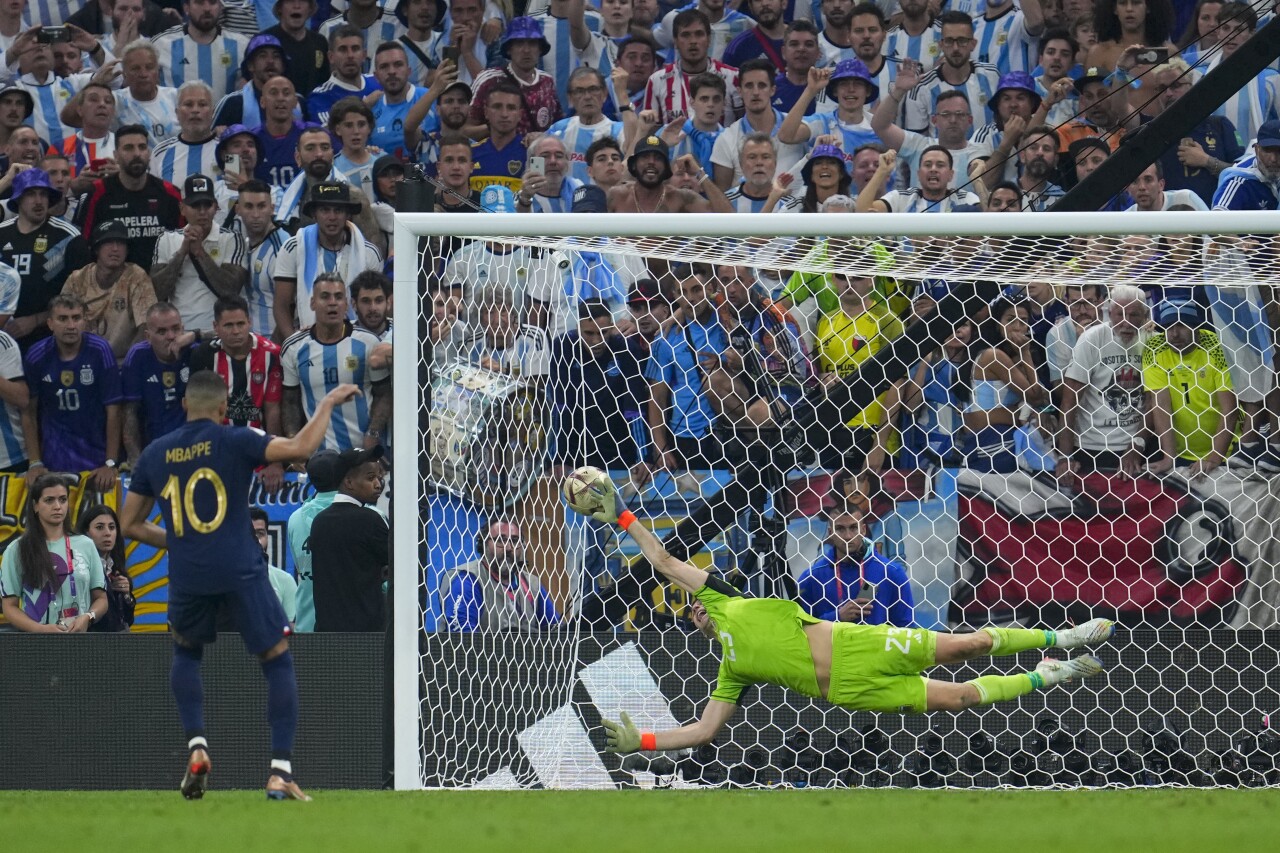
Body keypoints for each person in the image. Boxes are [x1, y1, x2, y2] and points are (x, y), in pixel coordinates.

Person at [586, 480, 1115, 753]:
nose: (697, 606)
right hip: (851, 691)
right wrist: (645, 742)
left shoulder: (729, 597)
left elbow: (660, 560)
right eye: (691, 611)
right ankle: (1050, 673)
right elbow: (703, 731)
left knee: (968, 646)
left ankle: (1062, 635)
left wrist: (624, 516)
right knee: (956, 699)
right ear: (694, 626)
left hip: (859, 643)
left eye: (696, 598)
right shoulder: (732, 671)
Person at [120, 369, 360, 800]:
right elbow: (301, 447)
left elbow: (129, 524)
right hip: (240, 566)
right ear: (222, 408)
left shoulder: (155, 453)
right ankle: (280, 771)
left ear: (184, 405)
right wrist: (325, 405)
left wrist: (179, 540)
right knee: (276, 660)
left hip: (189, 573)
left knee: (186, 653)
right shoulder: (235, 439)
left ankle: (197, 745)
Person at [280, 273, 391, 451]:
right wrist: (294, 442)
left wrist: (373, 433)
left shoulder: (369, 343)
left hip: (363, 451)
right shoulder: (294, 347)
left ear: (346, 305)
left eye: (338, 297)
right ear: (312, 303)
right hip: (319, 455)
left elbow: (384, 394)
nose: (332, 302)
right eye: (325, 296)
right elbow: (290, 402)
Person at [23, 295, 123, 490]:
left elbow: (114, 411)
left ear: (85, 321)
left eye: (76, 318)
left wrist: (110, 462)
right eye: (63, 319)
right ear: (50, 323)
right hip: (53, 463)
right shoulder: (36, 356)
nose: (71, 325)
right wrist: (35, 462)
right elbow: (28, 412)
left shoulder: (100, 351)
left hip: (96, 461)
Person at [1057, 283, 1150, 479]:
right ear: (1109, 313)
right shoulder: (1092, 339)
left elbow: (1154, 402)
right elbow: (1069, 400)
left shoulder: (1151, 340)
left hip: (1138, 444)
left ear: (1145, 316)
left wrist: (1137, 444)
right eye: (1119, 314)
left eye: (1133, 315)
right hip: (1092, 446)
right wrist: (1064, 457)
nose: (1126, 322)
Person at [0, 472, 108, 633]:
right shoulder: (16, 549)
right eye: (49, 500)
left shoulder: (86, 545)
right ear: (35, 505)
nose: (57, 506)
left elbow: (101, 598)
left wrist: (88, 617)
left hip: (80, 641)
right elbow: (9, 607)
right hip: (36, 644)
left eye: (63, 499)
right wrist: (39, 629)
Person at [272, 180, 383, 336]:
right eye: (325, 210)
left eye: (338, 210)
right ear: (314, 214)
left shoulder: (369, 253)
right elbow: (281, 305)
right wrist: (295, 345)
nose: (332, 217)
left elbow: (377, 303)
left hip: (357, 338)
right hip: (306, 338)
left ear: (347, 214)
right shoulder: (294, 248)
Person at [0, 168, 91, 349]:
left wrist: (36, 320)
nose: (39, 201)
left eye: (43, 194)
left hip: (51, 339)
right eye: (31, 194)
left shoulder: (68, 237)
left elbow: (84, 295)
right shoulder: (2, 233)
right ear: (18, 199)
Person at [1143, 301, 1235, 480]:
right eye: (1168, 327)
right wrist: (1169, 457)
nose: (1174, 334)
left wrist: (1214, 458)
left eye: (1181, 325)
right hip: (1181, 453)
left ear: (1197, 327)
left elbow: (1229, 410)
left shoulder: (1217, 346)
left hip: (1227, 450)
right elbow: (1161, 407)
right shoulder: (1154, 349)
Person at [150, 174, 248, 336]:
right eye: (195, 205)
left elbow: (230, 290)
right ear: (182, 209)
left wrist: (199, 252)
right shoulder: (167, 239)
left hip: (220, 330)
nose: (202, 212)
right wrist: (182, 252)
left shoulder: (231, 238)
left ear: (216, 207)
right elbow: (157, 292)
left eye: (207, 205)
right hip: (177, 329)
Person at [962, 297, 1051, 473]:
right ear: (997, 324)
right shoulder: (993, 356)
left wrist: (1037, 414)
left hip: (1006, 439)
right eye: (1010, 320)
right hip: (995, 442)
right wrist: (1026, 352)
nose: (1017, 327)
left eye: (1023, 321)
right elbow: (1034, 396)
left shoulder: (1012, 358)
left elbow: (1044, 402)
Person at [77, 125, 184, 271]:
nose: (137, 154)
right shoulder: (97, 193)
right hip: (111, 283)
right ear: (116, 155)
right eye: (128, 148)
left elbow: (183, 242)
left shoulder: (170, 194)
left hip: (161, 282)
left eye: (142, 147)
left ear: (149, 152)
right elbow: (83, 246)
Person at [797, 501, 916, 627]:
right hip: (833, 646)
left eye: (853, 528)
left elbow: (907, 631)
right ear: (830, 532)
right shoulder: (811, 578)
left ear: (863, 530)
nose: (848, 536)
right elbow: (799, 629)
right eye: (840, 529)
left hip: (875, 647)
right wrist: (837, 617)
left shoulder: (892, 573)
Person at [309, 445, 387, 632]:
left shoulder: (319, 522)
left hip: (326, 635)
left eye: (379, 478)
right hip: (367, 635)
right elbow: (399, 565)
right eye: (370, 478)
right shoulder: (371, 520)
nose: (378, 484)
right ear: (348, 482)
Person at [60, 219, 158, 361]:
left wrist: (132, 360)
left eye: (121, 243)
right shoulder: (77, 279)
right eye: (108, 242)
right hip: (83, 360)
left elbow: (146, 326)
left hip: (123, 362)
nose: (115, 249)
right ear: (96, 248)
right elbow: (62, 321)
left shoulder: (137, 276)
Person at [442, 517, 562, 632]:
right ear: (483, 545)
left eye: (515, 541)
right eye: (500, 540)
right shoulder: (467, 582)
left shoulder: (532, 585)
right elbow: (464, 640)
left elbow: (556, 632)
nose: (509, 547)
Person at [710, 57, 805, 189]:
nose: (755, 92)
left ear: (773, 90)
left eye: (762, 85)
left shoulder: (799, 127)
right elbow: (722, 197)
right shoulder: (726, 140)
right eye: (749, 86)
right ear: (740, 91)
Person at [900, 12, 1001, 135]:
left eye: (962, 40)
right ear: (941, 45)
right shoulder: (921, 88)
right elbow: (917, 142)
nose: (955, 48)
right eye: (949, 41)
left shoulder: (992, 75)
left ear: (973, 44)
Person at [122, 301, 193, 465]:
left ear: (183, 329)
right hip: (152, 452)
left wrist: (196, 335)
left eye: (176, 329)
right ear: (148, 336)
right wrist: (135, 459)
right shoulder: (138, 357)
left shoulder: (195, 351)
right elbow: (129, 413)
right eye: (162, 331)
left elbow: (225, 336)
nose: (171, 336)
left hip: (191, 452)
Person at [643, 9, 741, 126]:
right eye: (686, 35)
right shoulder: (657, 81)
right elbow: (650, 134)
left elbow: (744, 127)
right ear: (675, 41)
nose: (693, 41)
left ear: (709, 39)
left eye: (699, 34)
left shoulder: (733, 78)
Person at [467, 17, 563, 136]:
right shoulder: (488, 80)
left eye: (532, 43)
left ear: (540, 49)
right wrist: (497, 127)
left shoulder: (547, 81)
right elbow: (465, 131)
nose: (526, 50)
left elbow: (558, 129)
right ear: (508, 49)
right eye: (519, 43)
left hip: (538, 154)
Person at [151, 0, 251, 102]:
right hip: (171, 117)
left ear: (220, 7)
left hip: (228, 117)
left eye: (212, 2)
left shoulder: (242, 45)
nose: (207, 8)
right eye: (199, 2)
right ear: (186, 8)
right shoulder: (161, 45)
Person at [286, 448, 341, 632]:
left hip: (307, 623)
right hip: (352, 627)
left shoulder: (295, 518)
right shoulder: (369, 515)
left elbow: (301, 567)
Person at [307, 25, 381, 126]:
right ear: (331, 57)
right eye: (343, 49)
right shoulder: (321, 96)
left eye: (355, 49)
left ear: (364, 55)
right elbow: (329, 134)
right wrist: (365, 105)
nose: (350, 55)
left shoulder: (378, 82)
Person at [77, 504, 135, 633]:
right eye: (99, 527)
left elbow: (128, 620)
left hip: (116, 643)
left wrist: (126, 596)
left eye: (112, 527)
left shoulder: (115, 568)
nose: (107, 533)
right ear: (86, 533)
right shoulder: (79, 569)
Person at [149, 81, 219, 186]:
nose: (195, 110)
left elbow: (235, 193)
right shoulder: (160, 153)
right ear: (177, 113)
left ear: (213, 112)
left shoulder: (228, 150)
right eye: (188, 104)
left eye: (202, 104)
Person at [212, 33, 288, 129]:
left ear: (283, 66)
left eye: (276, 56)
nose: (270, 61)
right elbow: (209, 140)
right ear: (250, 65)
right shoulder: (232, 103)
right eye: (263, 56)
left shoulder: (297, 102)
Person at [266, 0, 331, 98]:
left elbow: (325, 82)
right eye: (290, 1)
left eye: (303, 1)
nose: (296, 6)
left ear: (310, 9)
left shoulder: (320, 42)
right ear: (280, 8)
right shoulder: (265, 42)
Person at [250, 506, 297, 627]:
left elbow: (291, 629)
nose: (257, 541)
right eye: (250, 534)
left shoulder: (285, 581)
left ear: (267, 536)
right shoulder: (226, 581)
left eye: (260, 534)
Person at [516, 134, 583, 213]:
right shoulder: (521, 197)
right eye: (545, 156)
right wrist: (525, 200)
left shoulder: (578, 188)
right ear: (531, 163)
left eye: (559, 156)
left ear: (567, 162)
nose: (553, 161)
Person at [350, 270, 391, 340]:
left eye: (379, 301)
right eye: (366, 301)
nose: (373, 308)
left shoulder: (402, 332)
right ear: (354, 304)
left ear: (388, 303)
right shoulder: (344, 335)